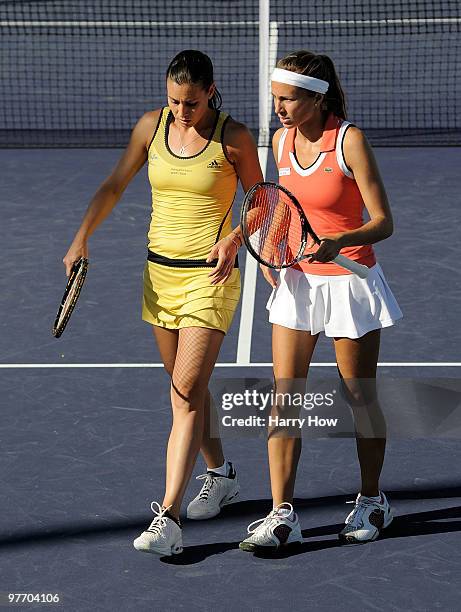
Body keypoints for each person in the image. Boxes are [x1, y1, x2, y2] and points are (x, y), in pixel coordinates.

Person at [63, 49, 263, 556]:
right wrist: (81, 236)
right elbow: (114, 184)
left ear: (211, 93)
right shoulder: (151, 127)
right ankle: (220, 474)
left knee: (183, 393)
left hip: (209, 278)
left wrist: (235, 238)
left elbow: (267, 205)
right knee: (187, 393)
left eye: (191, 102)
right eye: (174, 100)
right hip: (159, 277)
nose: (181, 111)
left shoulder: (233, 138)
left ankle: (169, 517)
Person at [239, 50, 402, 552]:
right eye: (276, 99)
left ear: (316, 97)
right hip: (299, 283)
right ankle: (281, 514)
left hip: (350, 283)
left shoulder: (349, 141)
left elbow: (384, 221)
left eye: (287, 99)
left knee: (360, 399)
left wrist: (342, 239)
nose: (279, 109)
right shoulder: (283, 142)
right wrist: (269, 251)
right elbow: (279, 208)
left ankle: (372, 499)